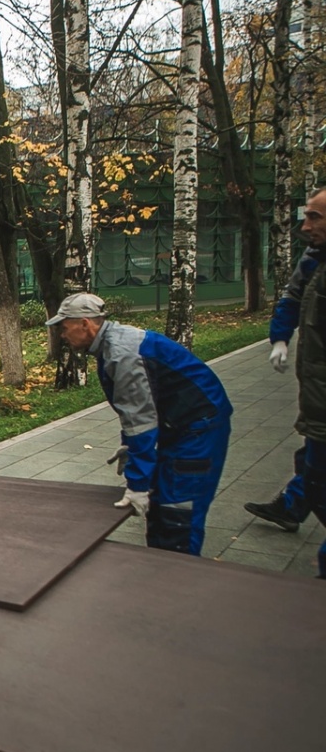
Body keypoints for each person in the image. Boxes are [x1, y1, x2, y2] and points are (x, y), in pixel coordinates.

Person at [47, 293, 233, 557]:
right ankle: (160, 572)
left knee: (177, 513)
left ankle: (178, 579)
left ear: (86, 324)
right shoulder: (112, 345)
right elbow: (137, 409)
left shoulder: (122, 354)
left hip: (198, 430)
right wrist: (131, 449)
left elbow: (141, 420)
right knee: (159, 508)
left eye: (64, 329)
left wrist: (137, 484)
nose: (63, 336)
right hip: (180, 423)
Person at [242, 189, 326, 535]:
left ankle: (294, 505)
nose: (305, 225)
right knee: (313, 457)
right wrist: (279, 337)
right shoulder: (314, 258)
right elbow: (292, 297)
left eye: (314, 217)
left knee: (317, 467)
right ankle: (291, 506)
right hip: (316, 389)